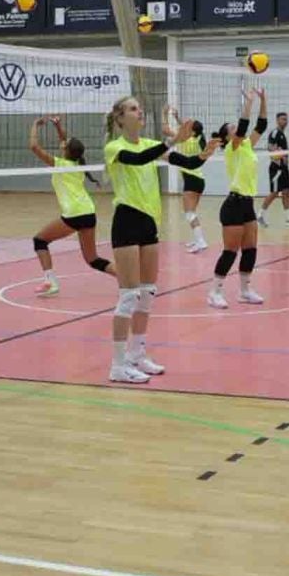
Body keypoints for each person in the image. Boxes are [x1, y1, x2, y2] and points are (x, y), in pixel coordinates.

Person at [101, 95, 203, 384]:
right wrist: (171, 141)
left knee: (147, 293)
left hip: (149, 223)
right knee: (129, 295)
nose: (139, 112)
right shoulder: (115, 148)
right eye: (133, 109)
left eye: (139, 108)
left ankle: (136, 354)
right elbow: (138, 159)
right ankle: (118, 365)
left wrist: (206, 152)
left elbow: (188, 162)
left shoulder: (150, 145)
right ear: (120, 119)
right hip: (127, 221)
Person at [27, 116, 113, 297]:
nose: (62, 143)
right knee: (92, 259)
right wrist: (58, 126)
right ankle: (128, 279)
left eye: (64, 144)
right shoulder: (78, 163)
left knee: (40, 241)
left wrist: (35, 125)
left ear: (66, 150)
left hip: (74, 214)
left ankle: (51, 282)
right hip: (88, 212)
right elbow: (65, 141)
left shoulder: (61, 163)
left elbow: (34, 147)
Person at [209, 88, 268, 309]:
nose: (236, 129)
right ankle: (214, 292)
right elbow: (243, 127)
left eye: (235, 127)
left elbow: (260, 125)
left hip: (247, 204)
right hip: (233, 204)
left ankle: (245, 290)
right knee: (230, 251)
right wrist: (248, 102)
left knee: (251, 249)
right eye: (231, 129)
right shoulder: (232, 148)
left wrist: (263, 100)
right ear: (227, 137)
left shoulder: (246, 145)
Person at [164, 106, 209, 253]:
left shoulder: (185, 140)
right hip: (199, 180)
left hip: (191, 180)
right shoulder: (197, 139)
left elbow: (167, 131)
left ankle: (201, 241)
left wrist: (165, 115)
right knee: (192, 212)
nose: (186, 126)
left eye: (189, 126)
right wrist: (177, 118)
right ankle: (197, 239)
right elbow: (187, 130)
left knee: (189, 213)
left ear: (192, 131)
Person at [260, 110, 289, 226]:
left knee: (286, 191)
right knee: (274, 192)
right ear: (277, 120)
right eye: (283, 119)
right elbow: (270, 148)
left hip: (284, 169)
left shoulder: (282, 134)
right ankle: (260, 215)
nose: (285, 122)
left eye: (286, 119)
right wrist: (280, 156)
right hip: (277, 169)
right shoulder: (275, 133)